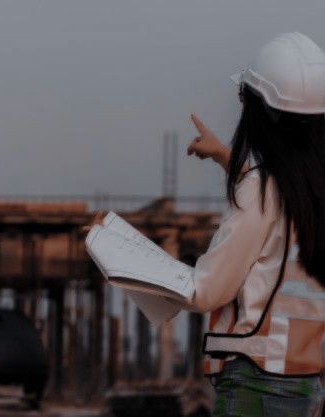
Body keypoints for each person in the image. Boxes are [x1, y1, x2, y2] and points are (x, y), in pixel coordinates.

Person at [83, 32, 325, 416]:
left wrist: (109, 243)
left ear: (260, 113)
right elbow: (281, 204)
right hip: (306, 384)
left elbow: (205, 291)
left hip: (255, 384)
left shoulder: (258, 189)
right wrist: (225, 158)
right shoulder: (313, 192)